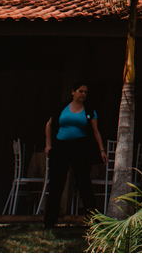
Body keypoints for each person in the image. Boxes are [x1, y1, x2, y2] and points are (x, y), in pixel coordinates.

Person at [44, 82, 107, 228]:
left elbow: (96, 131)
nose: (83, 94)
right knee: (56, 183)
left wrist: (101, 150)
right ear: (73, 92)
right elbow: (48, 125)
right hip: (61, 147)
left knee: (84, 183)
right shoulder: (62, 108)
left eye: (85, 92)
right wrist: (49, 145)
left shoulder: (89, 109)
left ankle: (94, 221)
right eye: (80, 91)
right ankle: (49, 222)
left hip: (80, 148)